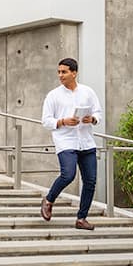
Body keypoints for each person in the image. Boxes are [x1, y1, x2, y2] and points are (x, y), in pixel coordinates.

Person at [40, 58, 103, 230]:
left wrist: (93, 119)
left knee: (90, 181)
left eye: (64, 72)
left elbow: (98, 111)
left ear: (74, 73)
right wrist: (63, 121)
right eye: (59, 72)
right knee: (68, 174)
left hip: (86, 141)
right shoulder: (53, 95)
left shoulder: (88, 92)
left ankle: (81, 219)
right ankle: (49, 200)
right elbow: (45, 121)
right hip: (65, 141)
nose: (60, 75)